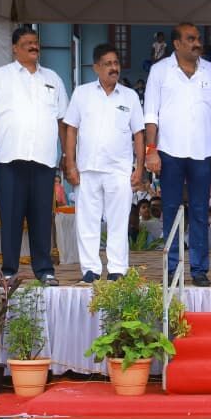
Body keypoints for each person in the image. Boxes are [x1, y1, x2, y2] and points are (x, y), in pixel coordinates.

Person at [0, 26, 68, 285]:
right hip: (9, 159)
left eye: (35, 42)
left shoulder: (53, 78)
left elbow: (62, 120)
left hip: (44, 159)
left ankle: (44, 269)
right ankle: (9, 270)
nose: (33, 46)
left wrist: (68, 155)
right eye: (26, 42)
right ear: (15, 48)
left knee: (40, 216)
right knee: (11, 216)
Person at [143, 22, 211, 287]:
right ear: (177, 44)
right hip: (168, 152)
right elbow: (150, 115)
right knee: (170, 210)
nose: (197, 43)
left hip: (203, 153)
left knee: (201, 211)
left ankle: (199, 269)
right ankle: (171, 269)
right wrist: (151, 150)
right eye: (190, 39)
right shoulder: (159, 71)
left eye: (198, 38)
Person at [63, 43, 146, 284]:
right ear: (95, 67)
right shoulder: (82, 93)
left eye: (116, 63)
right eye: (108, 64)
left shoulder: (129, 96)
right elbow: (71, 130)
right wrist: (71, 165)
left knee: (118, 221)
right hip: (87, 169)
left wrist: (139, 169)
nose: (114, 68)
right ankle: (90, 270)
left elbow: (138, 134)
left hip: (119, 170)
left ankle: (118, 269)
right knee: (86, 222)